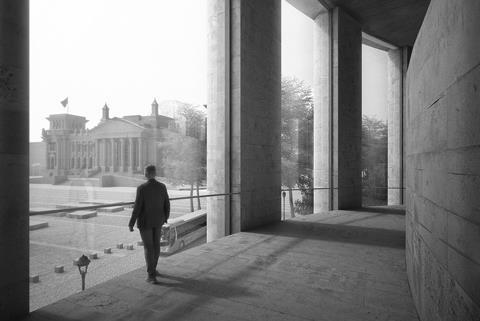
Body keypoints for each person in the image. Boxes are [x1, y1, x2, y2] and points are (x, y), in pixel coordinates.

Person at [129, 164, 170, 284]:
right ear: (155, 174)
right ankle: (153, 269)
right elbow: (167, 204)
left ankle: (151, 275)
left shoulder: (142, 188)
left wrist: (131, 223)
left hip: (145, 222)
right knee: (156, 245)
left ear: (146, 174)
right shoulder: (162, 186)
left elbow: (137, 207)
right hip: (158, 221)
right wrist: (165, 218)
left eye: (144, 172)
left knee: (148, 247)